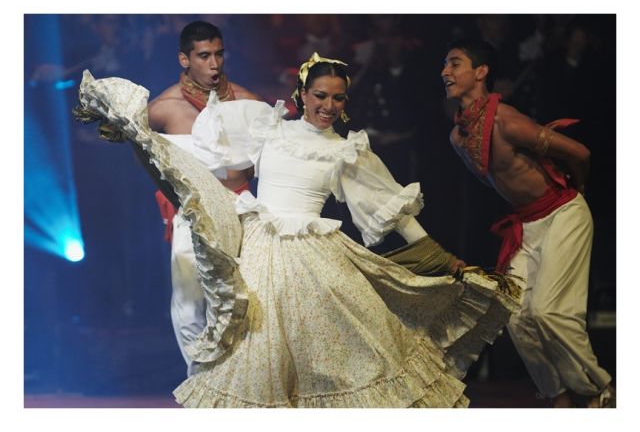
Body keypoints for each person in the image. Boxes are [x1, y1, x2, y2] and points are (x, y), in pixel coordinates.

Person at [75, 52, 520, 408]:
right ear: (302, 94)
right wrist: (145, 141)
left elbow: (393, 211)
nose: (329, 106)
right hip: (259, 253)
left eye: (339, 98)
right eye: (321, 95)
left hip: (316, 262)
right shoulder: (269, 129)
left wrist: (440, 258)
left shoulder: (347, 151)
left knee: (330, 362)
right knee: (260, 359)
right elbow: (212, 161)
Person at [441, 39, 614, 407]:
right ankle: (559, 395)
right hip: (528, 223)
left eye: (455, 64)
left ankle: (599, 387)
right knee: (516, 315)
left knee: (548, 311)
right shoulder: (458, 137)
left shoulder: (507, 121)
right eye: (445, 66)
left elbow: (579, 153)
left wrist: (576, 189)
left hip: (563, 213)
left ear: (481, 72)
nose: (446, 72)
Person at [141, 20, 260, 377]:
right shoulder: (163, 109)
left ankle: (240, 381)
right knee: (189, 303)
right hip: (190, 218)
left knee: (246, 301)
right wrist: (169, 195)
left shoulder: (247, 102)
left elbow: (265, 161)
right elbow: (141, 153)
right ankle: (200, 382)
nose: (214, 64)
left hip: (240, 212)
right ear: (184, 59)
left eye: (219, 54)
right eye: (204, 56)